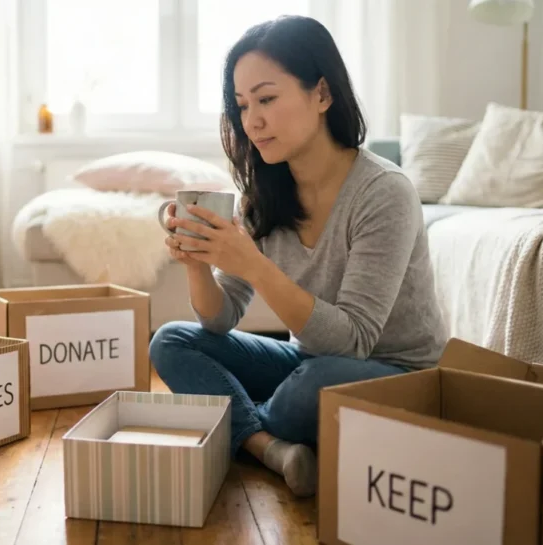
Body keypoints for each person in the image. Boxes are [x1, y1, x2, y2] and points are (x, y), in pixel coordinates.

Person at [149, 15, 448, 498]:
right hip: (310, 361)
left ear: (323, 94)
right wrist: (198, 263)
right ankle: (270, 445)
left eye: (267, 98)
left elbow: (352, 342)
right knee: (171, 341)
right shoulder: (264, 196)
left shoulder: (384, 192)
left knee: (314, 385)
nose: (253, 121)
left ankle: (237, 424)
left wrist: (252, 262)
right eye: (243, 105)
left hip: (397, 374)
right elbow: (220, 320)